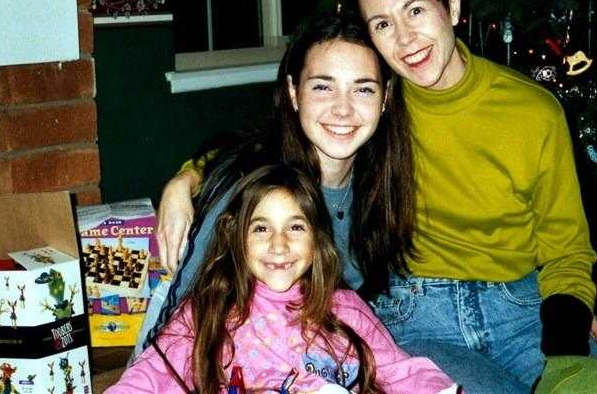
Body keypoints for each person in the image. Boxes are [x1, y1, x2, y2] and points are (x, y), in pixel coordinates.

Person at [344, 0, 597, 394]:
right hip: (419, 320)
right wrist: (191, 176)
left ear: (452, 7)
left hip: (522, 309)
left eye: (416, 11)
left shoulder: (533, 111)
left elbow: (566, 248)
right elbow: (273, 151)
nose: (405, 39)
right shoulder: (371, 106)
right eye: (382, 24)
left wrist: (568, 342)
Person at [135, 11, 416, 358]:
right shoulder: (249, 188)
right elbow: (180, 325)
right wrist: (184, 181)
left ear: (385, 98)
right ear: (294, 92)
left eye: (363, 89)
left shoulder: (383, 181)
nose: (343, 109)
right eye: (323, 86)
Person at [107, 165, 458, 393]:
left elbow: (402, 372)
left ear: (317, 238)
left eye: (295, 227)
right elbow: (148, 376)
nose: (279, 244)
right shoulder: (206, 311)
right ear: (237, 236)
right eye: (261, 228)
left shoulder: (346, 309)